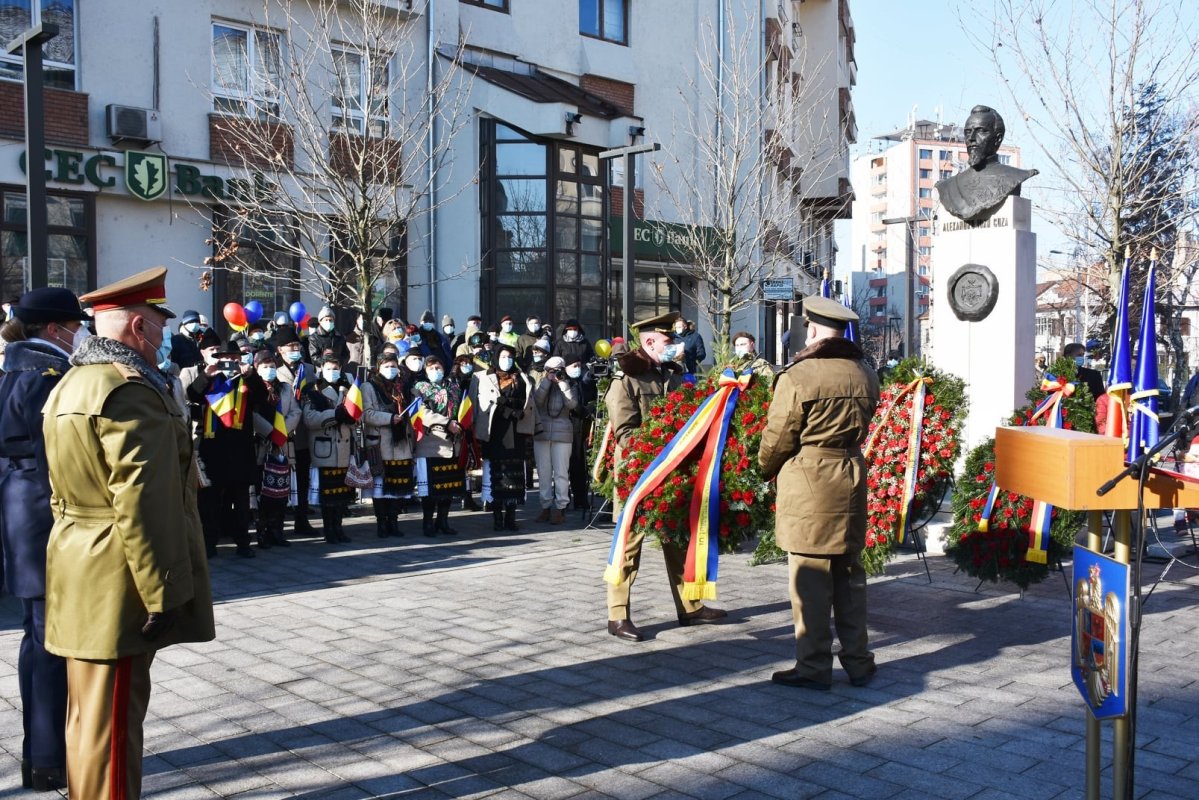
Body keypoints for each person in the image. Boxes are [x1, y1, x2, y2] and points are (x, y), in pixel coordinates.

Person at [41, 267, 215, 797]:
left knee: (88, 721)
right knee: (113, 728)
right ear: (138, 327)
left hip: (80, 561)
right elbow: (144, 503)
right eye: (159, 324)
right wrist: (162, 594)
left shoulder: (75, 379)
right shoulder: (129, 391)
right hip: (120, 575)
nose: (164, 336)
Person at [758, 296, 880, 689]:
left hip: (810, 480)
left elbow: (778, 437)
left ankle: (813, 667)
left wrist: (764, 468)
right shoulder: (864, 371)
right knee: (850, 578)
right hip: (850, 476)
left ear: (810, 329)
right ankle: (859, 662)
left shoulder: (799, 375)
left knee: (810, 581)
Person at [0, 288, 90, 791]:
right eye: (76, 326)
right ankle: (52, 756)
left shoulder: (13, 370)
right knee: (52, 641)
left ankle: (41, 756)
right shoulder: (51, 377)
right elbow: (61, 461)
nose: (81, 334)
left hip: (20, 519)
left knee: (35, 640)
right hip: (45, 521)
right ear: (56, 330)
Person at [604, 311, 725, 642]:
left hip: (671, 472)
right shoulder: (626, 381)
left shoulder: (672, 375)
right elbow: (626, 432)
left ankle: (691, 607)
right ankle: (617, 615)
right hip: (638, 475)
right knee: (629, 546)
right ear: (651, 342)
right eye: (670, 341)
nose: (677, 346)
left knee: (677, 539)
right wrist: (658, 454)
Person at [183, 332, 269, 558]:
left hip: (240, 449)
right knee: (210, 502)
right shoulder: (212, 379)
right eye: (225, 358)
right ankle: (209, 543)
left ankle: (243, 542)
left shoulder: (245, 379)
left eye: (234, 358)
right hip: (214, 449)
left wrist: (250, 374)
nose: (229, 362)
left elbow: (261, 398)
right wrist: (207, 374)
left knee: (241, 501)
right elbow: (192, 394)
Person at [934, 105, 1039, 222]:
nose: (971, 138)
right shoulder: (947, 187)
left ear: (998, 138)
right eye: (968, 132)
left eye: (981, 131)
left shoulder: (1015, 176)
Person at [475, 344, 535, 531]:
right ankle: (497, 519)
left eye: (510, 356)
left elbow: (525, 401)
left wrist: (511, 405)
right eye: (503, 356)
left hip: (516, 430)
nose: (506, 360)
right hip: (496, 432)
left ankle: (511, 517)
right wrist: (505, 407)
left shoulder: (521, 377)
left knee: (514, 477)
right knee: (498, 477)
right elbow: (481, 403)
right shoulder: (484, 378)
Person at [302, 353, 359, 543]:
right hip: (325, 447)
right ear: (321, 370)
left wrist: (351, 418)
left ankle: (339, 528)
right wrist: (335, 414)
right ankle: (329, 530)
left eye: (336, 369)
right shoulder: (313, 390)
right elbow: (309, 419)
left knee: (342, 493)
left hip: (344, 446)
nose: (332, 372)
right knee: (329, 494)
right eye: (329, 369)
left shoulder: (347, 389)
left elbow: (356, 416)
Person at [250, 350, 301, 549]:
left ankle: (277, 530)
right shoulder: (253, 389)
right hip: (262, 445)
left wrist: (282, 431)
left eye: (272, 366)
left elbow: (296, 411)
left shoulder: (286, 388)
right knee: (264, 491)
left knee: (280, 491)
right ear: (256, 368)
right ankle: (262, 531)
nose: (269, 370)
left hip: (282, 445)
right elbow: (252, 415)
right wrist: (270, 431)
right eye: (264, 366)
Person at [363, 352, 415, 538]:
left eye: (393, 366)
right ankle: (381, 523)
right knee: (381, 487)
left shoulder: (402, 387)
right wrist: (390, 418)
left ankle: (394, 521)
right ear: (378, 367)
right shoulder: (368, 386)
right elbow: (367, 414)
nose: (391, 369)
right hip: (380, 442)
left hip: (401, 442)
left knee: (398, 485)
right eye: (386, 366)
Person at [412, 356, 465, 535]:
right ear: (425, 371)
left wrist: (460, 423)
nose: (435, 370)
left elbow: (462, 408)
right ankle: (427, 523)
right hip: (431, 443)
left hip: (453, 442)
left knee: (448, 487)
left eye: (438, 366)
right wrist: (446, 422)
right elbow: (421, 412)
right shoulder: (419, 388)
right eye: (431, 367)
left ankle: (443, 522)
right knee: (431, 489)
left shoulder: (454, 387)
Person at [275, 327, 317, 537]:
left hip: (304, 433)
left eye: (297, 346)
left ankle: (302, 518)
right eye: (290, 346)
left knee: (303, 477)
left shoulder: (308, 369)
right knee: (281, 479)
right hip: (283, 430)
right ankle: (278, 524)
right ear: (280, 349)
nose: (295, 349)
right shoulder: (275, 369)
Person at [533, 355, 578, 523]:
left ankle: (560, 508)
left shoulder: (569, 383)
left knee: (561, 473)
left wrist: (562, 383)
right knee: (543, 472)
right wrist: (547, 381)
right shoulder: (541, 382)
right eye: (551, 370)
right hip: (542, 433)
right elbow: (537, 401)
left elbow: (572, 404)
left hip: (563, 434)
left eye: (558, 370)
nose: (555, 373)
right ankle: (545, 507)